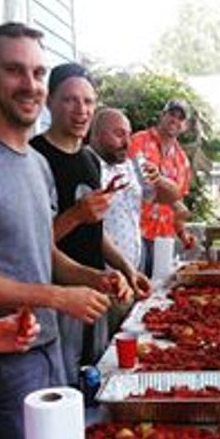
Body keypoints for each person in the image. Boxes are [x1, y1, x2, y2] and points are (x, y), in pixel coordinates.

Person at [0, 22, 122, 439]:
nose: (30, 85)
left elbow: (40, 249)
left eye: (38, 73)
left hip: (50, 348)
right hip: (0, 362)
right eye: (14, 70)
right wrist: (56, 297)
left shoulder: (36, 164)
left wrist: (91, 277)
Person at [31, 63, 135, 385]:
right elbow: (30, 242)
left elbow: (95, 229)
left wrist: (127, 269)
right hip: (54, 298)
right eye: (70, 100)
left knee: (94, 377)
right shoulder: (35, 157)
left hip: (95, 289)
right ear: (49, 101)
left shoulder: (90, 159)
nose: (81, 110)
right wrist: (75, 215)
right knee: (58, 385)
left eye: (88, 102)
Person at [88, 108, 153, 333]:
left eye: (128, 134)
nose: (126, 141)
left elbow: (165, 197)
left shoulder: (130, 164)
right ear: (95, 134)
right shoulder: (87, 165)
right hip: (104, 280)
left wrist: (159, 178)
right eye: (118, 134)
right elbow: (91, 228)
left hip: (133, 272)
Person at [129, 99, 192, 277]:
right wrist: (162, 183)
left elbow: (179, 205)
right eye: (172, 114)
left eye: (181, 118)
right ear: (162, 116)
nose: (175, 120)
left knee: (158, 292)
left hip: (164, 240)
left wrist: (183, 233)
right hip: (135, 233)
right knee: (134, 290)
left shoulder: (182, 161)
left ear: (185, 126)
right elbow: (132, 182)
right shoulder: (138, 141)